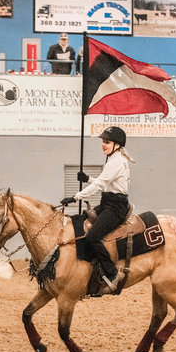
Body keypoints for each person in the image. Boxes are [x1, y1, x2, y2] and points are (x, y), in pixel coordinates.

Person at [60, 126, 132, 294]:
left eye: (107, 142)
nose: (103, 144)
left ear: (117, 144)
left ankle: (113, 274)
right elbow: (106, 182)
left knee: (92, 237)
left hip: (116, 208)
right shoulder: (114, 158)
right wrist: (87, 179)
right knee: (79, 220)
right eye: (103, 142)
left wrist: (75, 197)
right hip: (108, 202)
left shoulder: (116, 161)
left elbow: (100, 185)